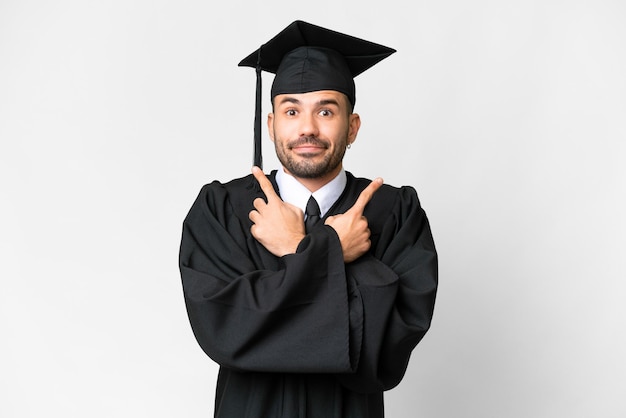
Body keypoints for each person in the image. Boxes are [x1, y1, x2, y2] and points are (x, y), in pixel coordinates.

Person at [179, 20, 438, 418]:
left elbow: (387, 345)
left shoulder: (395, 213)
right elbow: (227, 330)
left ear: (352, 127)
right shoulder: (222, 210)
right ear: (272, 125)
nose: (307, 128)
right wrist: (333, 251)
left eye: (326, 110)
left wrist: (297, 250)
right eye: (291, 110)